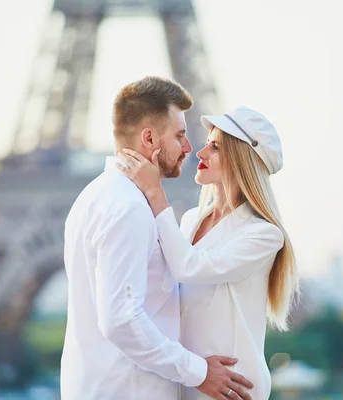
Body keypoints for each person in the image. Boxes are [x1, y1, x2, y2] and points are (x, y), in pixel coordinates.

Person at [60, 76, 254, 400]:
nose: (190, 148)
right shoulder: (130, 208)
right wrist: (199, 372)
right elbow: (121, 320)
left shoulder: (93, 196)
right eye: (180, 135)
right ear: (149, 138)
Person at [117, 105, 300, 400]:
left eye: (214, 147)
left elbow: (187, 268)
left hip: (233, 389)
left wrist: (155, 192)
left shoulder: (264, 235)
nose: (200, 154)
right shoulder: (190, 220)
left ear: (241, 160)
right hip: (191, 380)